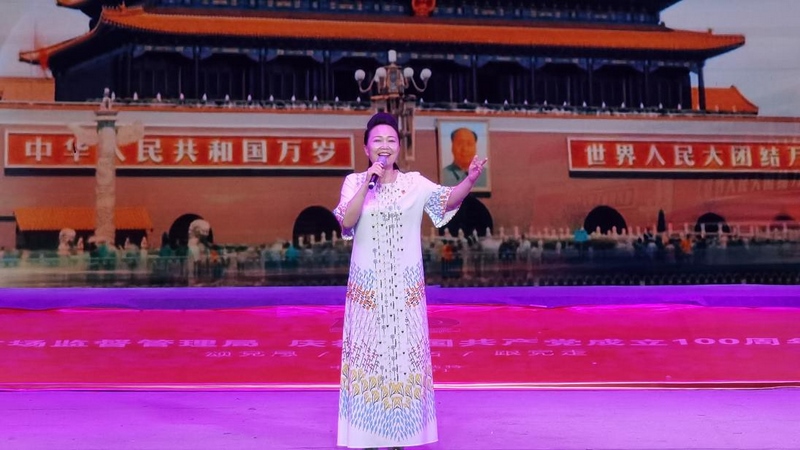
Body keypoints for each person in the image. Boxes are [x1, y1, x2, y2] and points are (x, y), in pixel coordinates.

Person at [334, 112, 487, 450]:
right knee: (369, 359)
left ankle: (401, 436)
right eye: (377, 140)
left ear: (399, 147)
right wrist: (367, 182)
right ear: (366, 148)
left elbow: (447, 200)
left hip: (405, 296)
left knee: (402, 359)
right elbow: (347, 220)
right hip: (367, 296)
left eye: (391, 140)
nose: (384, 145)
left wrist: (470, 180)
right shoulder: (354, 181)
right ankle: (367, 436)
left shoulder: (414, 183)